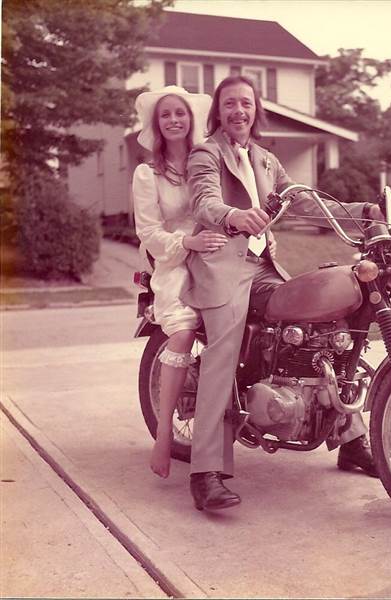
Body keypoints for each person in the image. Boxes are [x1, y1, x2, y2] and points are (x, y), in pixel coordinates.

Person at [182, 75, 391, 511]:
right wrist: (233, 216)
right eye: (230, 104)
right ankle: (205, 472)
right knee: (222, 354)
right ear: (218, 111)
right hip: (223, 266)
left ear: (256, 110)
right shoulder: (206, 153)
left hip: (263, 267)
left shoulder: (265, 160)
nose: (238, 111)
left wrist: (364, 211)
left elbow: (304, 203)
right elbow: (202, 200)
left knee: (334, 337)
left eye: (246, 103)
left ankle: (350, 440)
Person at [132, 85, 228, 479]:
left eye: (181, 113)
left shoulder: (207, 160)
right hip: (175, 259)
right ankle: (163, 434)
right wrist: (187, 242)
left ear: (191, 120)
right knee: (184, 330)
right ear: (157, 125)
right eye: (166, 115)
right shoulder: (147, 173)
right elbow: (148, 233)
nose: (174, 119)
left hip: (219, 253)